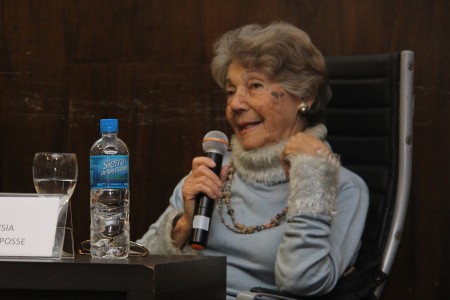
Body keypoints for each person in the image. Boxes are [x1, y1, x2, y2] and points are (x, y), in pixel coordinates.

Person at [138, 21, 369, 299]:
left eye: (255, 86)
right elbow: (137, 267)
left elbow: (301, 281)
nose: (235, 104)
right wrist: (183, 225)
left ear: (304, 97)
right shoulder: (213, 169)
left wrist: (310, 177)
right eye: (230, 91)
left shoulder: (344, 188)